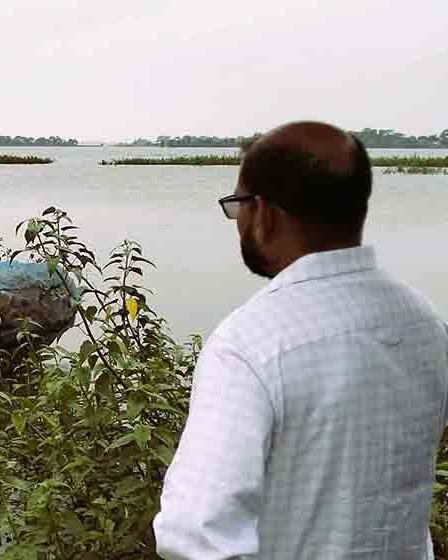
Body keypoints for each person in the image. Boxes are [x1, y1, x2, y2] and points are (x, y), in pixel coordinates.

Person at [153, 121, 448, 558]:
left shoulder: (250, 344)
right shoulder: (426, 324)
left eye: (238, 207)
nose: (238, 224)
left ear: (265, 213)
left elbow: (196, 535)